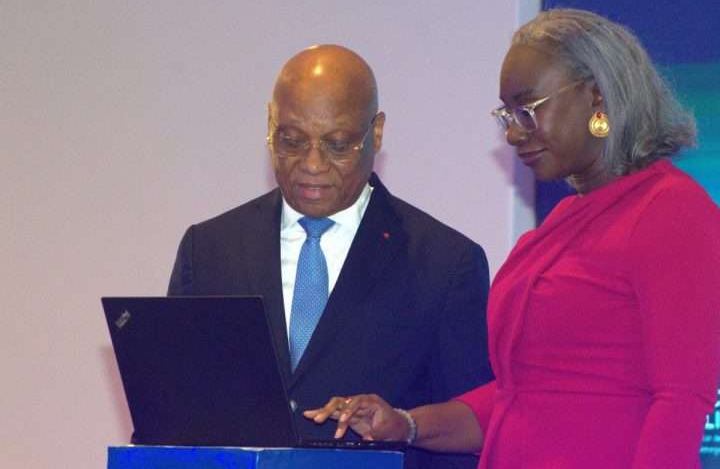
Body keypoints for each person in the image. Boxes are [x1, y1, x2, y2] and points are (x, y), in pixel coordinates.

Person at [305, 9, 720, 468]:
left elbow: (680, 402)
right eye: (507, 114)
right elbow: (518, 400)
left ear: (596, 96)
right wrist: (406, 424)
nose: (511, 133)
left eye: (528, 110)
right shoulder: (560, 225)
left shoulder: (672, 212)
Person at [167, 44, 493, 469]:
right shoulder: (210, 249)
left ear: (376, 133)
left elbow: (468, 434)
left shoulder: (444, 264)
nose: (312, 163)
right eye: (292, 141)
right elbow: (174, 417)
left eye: (338, 145)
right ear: (270, 125)